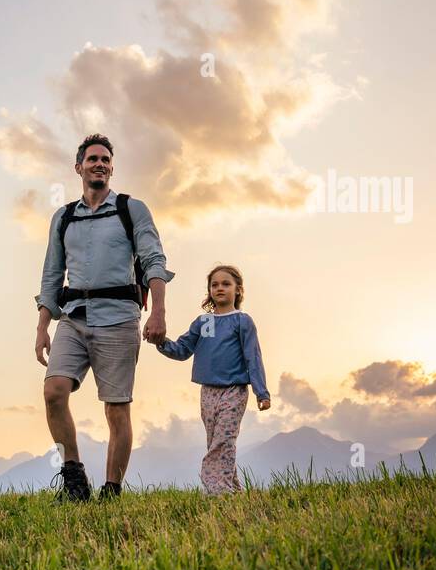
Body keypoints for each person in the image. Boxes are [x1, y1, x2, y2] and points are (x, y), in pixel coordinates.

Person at [34, 134, 175, 501]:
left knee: (116, 409)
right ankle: (74, 477)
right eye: (93, 159)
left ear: (112, 168)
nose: (100, 164)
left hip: (119, 319)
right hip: (73, 318)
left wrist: (157, 311)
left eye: (106, 160)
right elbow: (52, 274)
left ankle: (111, 491)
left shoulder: (132, 209)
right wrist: (42, 326)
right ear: (78, 167)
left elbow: (153, 261)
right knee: (53, 391)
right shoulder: (63, 217)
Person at [155, 265, 270, 494]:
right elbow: (183, 349)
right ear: (209, 291)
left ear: (238, 290)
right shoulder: (203, 322)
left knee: (224, 441)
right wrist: (160, 342)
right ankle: (233, 490)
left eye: (226, 284)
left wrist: (262, 393)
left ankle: (217, 490)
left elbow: (253, 357)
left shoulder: (242, 321)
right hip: (208, 391)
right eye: (214, 284)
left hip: (234, 390)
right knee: (216, 441)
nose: (220, 288)